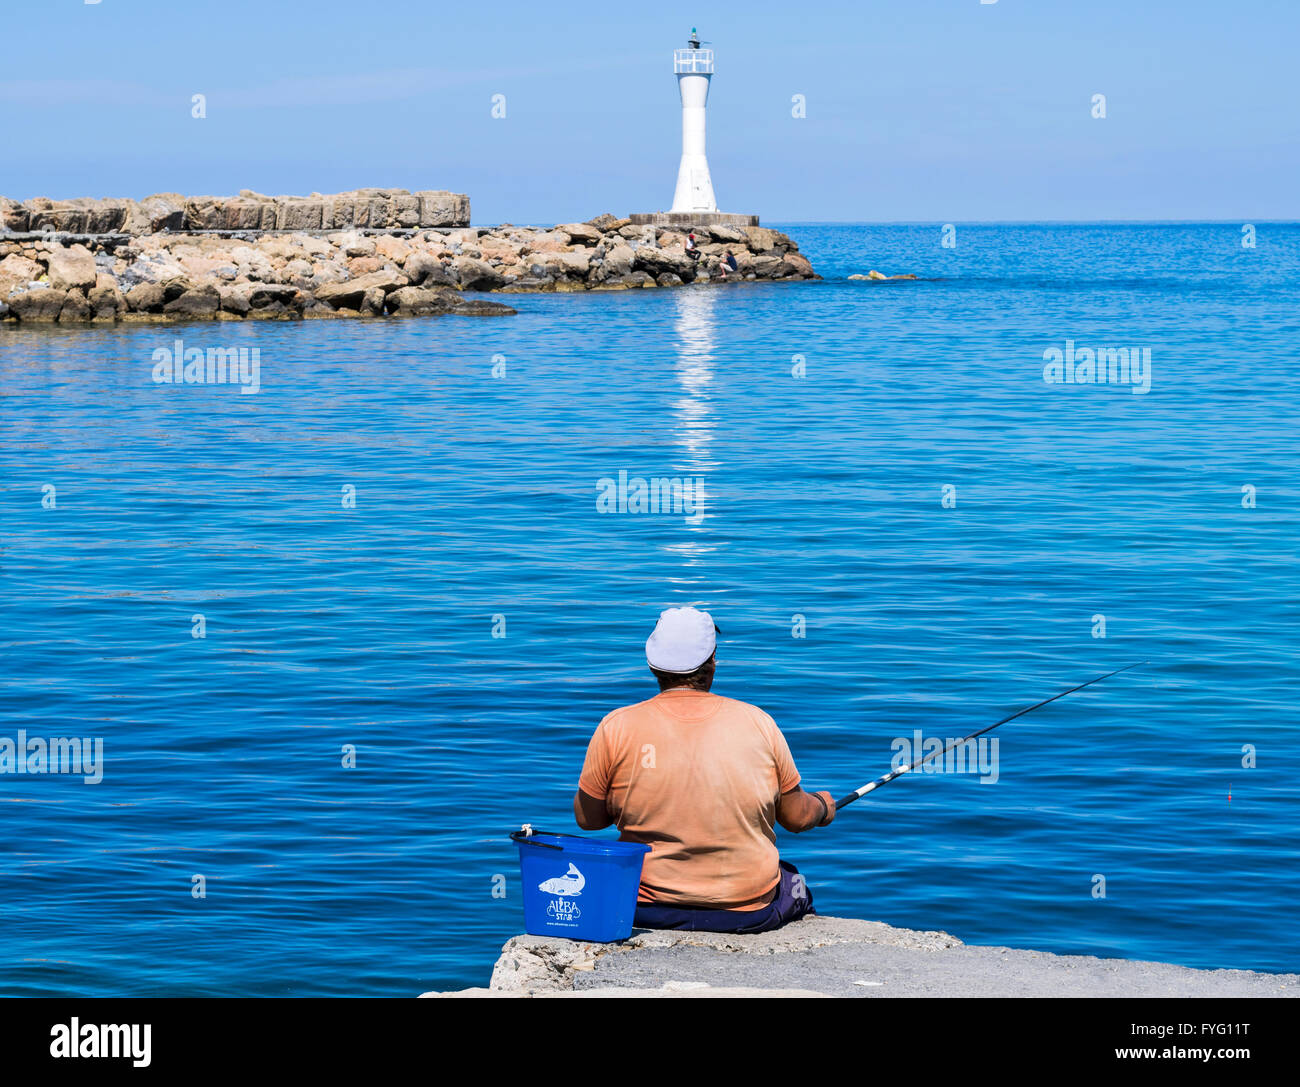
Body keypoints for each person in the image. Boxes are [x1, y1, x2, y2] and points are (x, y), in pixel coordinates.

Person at [573, 607, 836, 933]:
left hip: (646, 909)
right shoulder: (758, 723)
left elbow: (588, 819)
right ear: (711, 662)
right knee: (795, 883)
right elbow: (797, 818)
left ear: (653, 665)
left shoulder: (616, 726)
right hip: (746, 911)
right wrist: (823, 806)